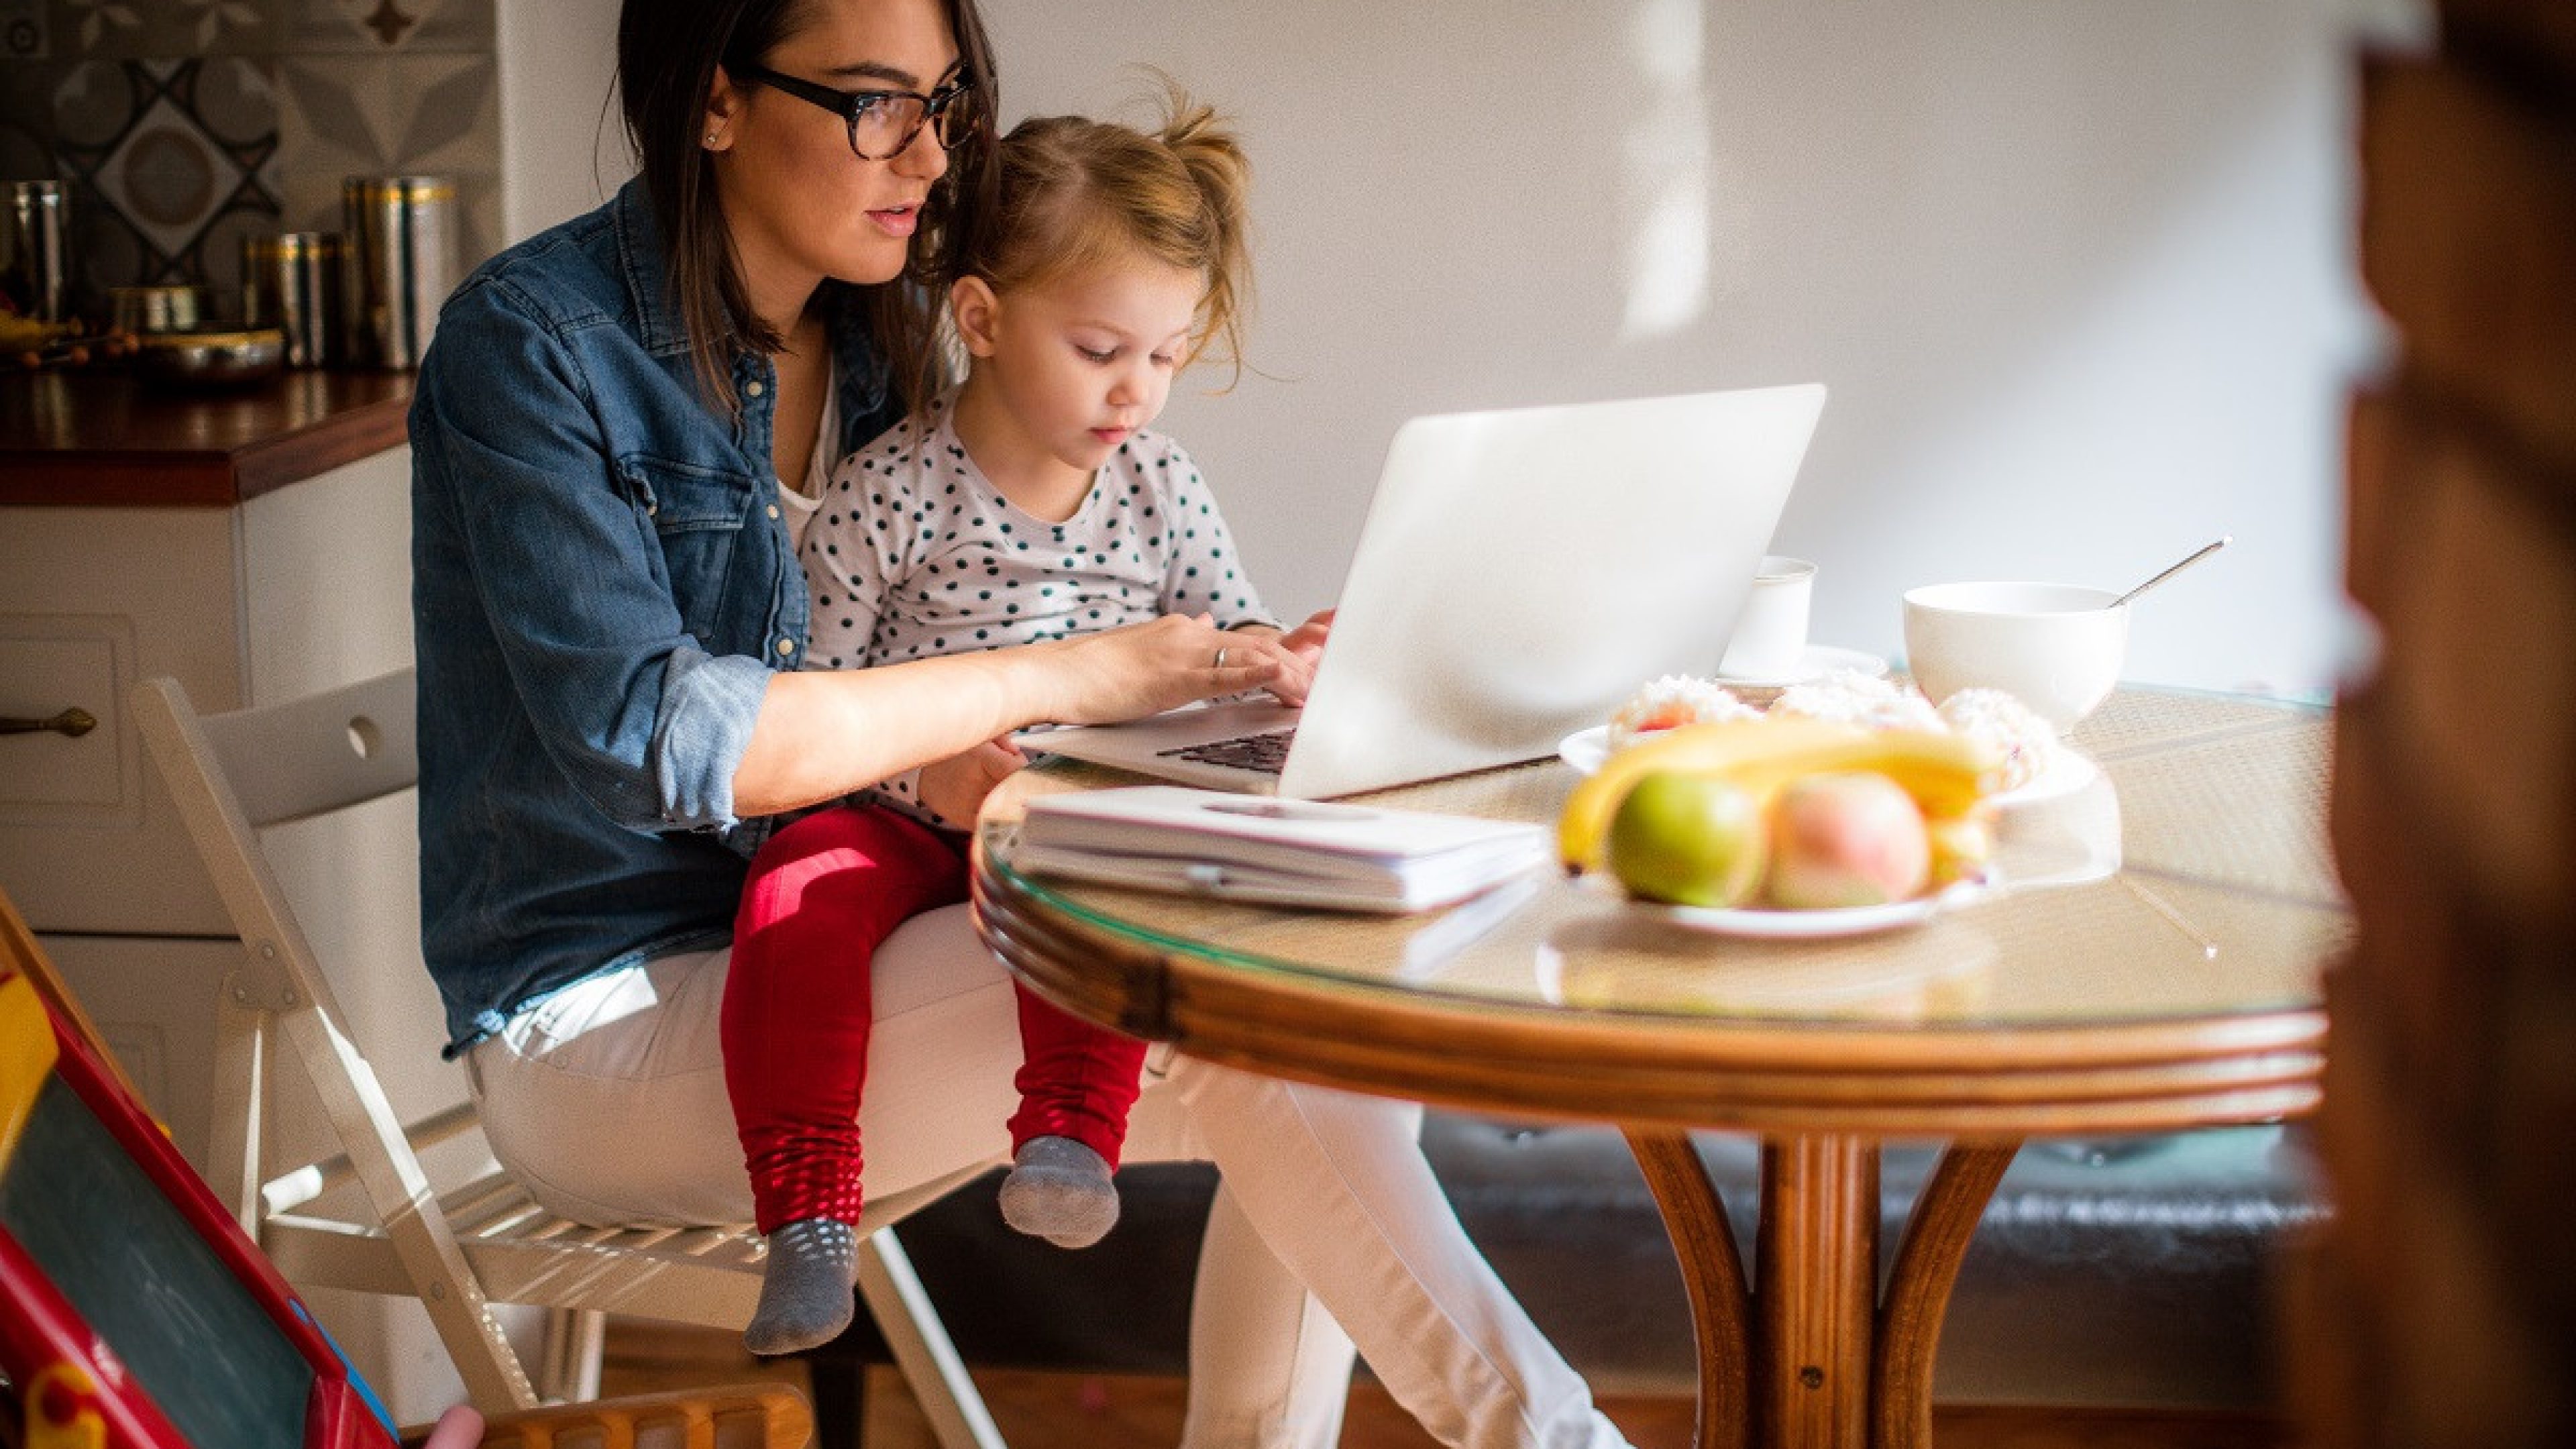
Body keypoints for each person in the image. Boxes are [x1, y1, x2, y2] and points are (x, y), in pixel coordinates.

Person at [408, 0, 1636, 1443]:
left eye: (949, 104)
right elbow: (676, 745)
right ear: (716, 100)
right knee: (1237, 1004)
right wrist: (1077, 677)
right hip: (616, 1016)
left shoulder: (888, 343)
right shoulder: (537, 345)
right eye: (876, 103)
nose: (929, 157)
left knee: (1318, 1036)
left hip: (854, 933)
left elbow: (930, 684)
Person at [723, 88, 1336, 1354]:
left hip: (1064, 814)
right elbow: (813, 725)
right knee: (792, 894)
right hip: (897, 815)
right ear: (984, 318)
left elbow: (1227, 642)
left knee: (1101, 884)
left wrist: (1284, 659)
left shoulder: (1160, 487)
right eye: (1104, 351)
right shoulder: (887, 491)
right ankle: (807, 1215)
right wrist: (931, 783)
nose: (1139, 395)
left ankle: (1069, 1134)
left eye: (1165, 357)